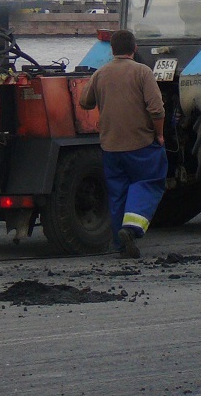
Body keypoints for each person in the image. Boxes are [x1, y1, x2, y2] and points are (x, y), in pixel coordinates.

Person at [79, 29, 167, 259]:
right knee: (148, 181)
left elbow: (84, 102)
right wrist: (159, 135)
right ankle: (131, 229)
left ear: (111, 50)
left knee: (117, 193)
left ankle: (120, 244)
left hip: (110, 147)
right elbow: (156, 109)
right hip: (140, 143)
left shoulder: (101, 73)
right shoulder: (143, 72)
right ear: (135, 48)